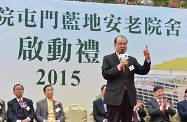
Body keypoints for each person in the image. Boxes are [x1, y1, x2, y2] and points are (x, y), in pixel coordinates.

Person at [101, 35, 151, 122]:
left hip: (129, 97)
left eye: (124, 44)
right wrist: (119, 66)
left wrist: (147, 59)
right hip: (114, 97)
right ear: (114, 45)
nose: (122, 46)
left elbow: (143, 71)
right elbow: (105, 74)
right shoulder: (108, 58)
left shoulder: (131, 60)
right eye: (120, 44)